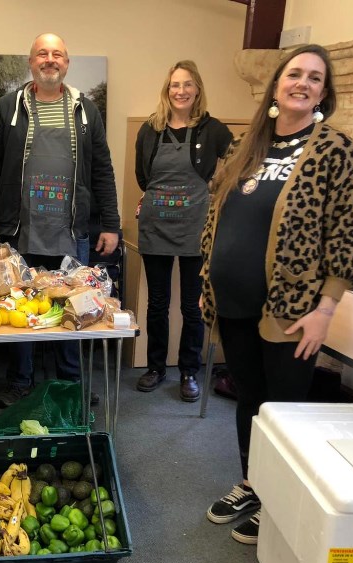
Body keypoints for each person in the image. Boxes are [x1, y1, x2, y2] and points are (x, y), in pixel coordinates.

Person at [200, 44, 353, 545]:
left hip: (292, 311)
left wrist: (326, 308)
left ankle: (279, 501)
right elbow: (217, 219)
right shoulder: (245, 147)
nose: (302, 83)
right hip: (232, 305)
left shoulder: (334, 149)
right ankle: (254, 483)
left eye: (315, 78)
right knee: (248, 401)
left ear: (325, 92)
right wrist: (206, 284)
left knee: (284, 409)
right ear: (277, 85)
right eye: (294, 74)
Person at [0, 32, 120, 408]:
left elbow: (102, 168)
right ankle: (20, 382)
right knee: (18, 304)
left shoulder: (86, 110)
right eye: (42, 53)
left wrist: (111, 224)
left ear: (66, 63)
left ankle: (70, 383)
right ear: (31, 62)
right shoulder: (8, 108)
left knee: (74, 306)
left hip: (70, 230)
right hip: (20, 229)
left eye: (57, 54)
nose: (50, 59)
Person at [134, 60, 232, 403]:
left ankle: (189, 371)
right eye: (175, 85)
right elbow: (142, 177)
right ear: (167, 90)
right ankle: (156, 368)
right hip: (156, 226)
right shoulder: (150, 129)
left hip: (196, 228)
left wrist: (216, 194)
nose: (181, 91)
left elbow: (236, 164)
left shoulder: (213, 130)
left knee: (192, 306)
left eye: (187, 84)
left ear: (198, 90)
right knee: (158, 304)